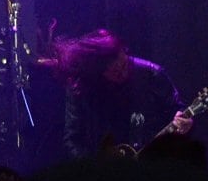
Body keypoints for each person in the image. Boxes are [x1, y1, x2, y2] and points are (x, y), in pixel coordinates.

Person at [44, 28, 191, 158]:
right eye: (115, 72)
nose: (123, 73)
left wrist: (184, 123)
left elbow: (178, 111)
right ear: (98, 73)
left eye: (125, 65)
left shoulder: (152, 75)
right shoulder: (79, 87)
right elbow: (72, 139)